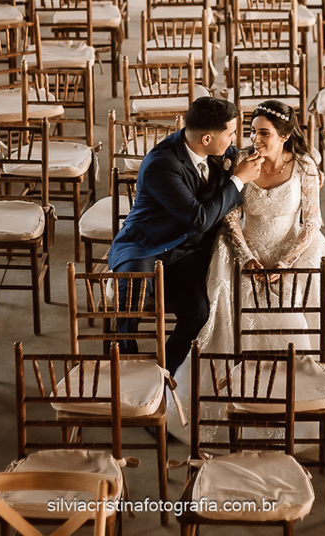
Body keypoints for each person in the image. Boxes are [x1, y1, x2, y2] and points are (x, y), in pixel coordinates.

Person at [168, 99, 325, 461]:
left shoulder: (306, 168)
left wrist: (285, 263)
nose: (254, 139)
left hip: (295, 250)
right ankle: (239, 408)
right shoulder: (240, 160)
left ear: (285, 136)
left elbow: (312, 223)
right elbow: (230, 217)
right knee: (225, 318)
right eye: (252, 131)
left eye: (264, 133)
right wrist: (248, 258)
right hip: (243, 251)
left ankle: (309, 406)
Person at [108, 96, 263, 374]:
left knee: (198, 312)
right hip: (146, 244)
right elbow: (200, 219)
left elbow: (248, 156)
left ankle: (164, 369)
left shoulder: (218, 151)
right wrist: (237, 180)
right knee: (132, 295)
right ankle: (124, 363)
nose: (234, 139)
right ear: (206, 138)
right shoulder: (162, 164)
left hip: (187, 252)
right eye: (230, 134)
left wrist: (303, 166)